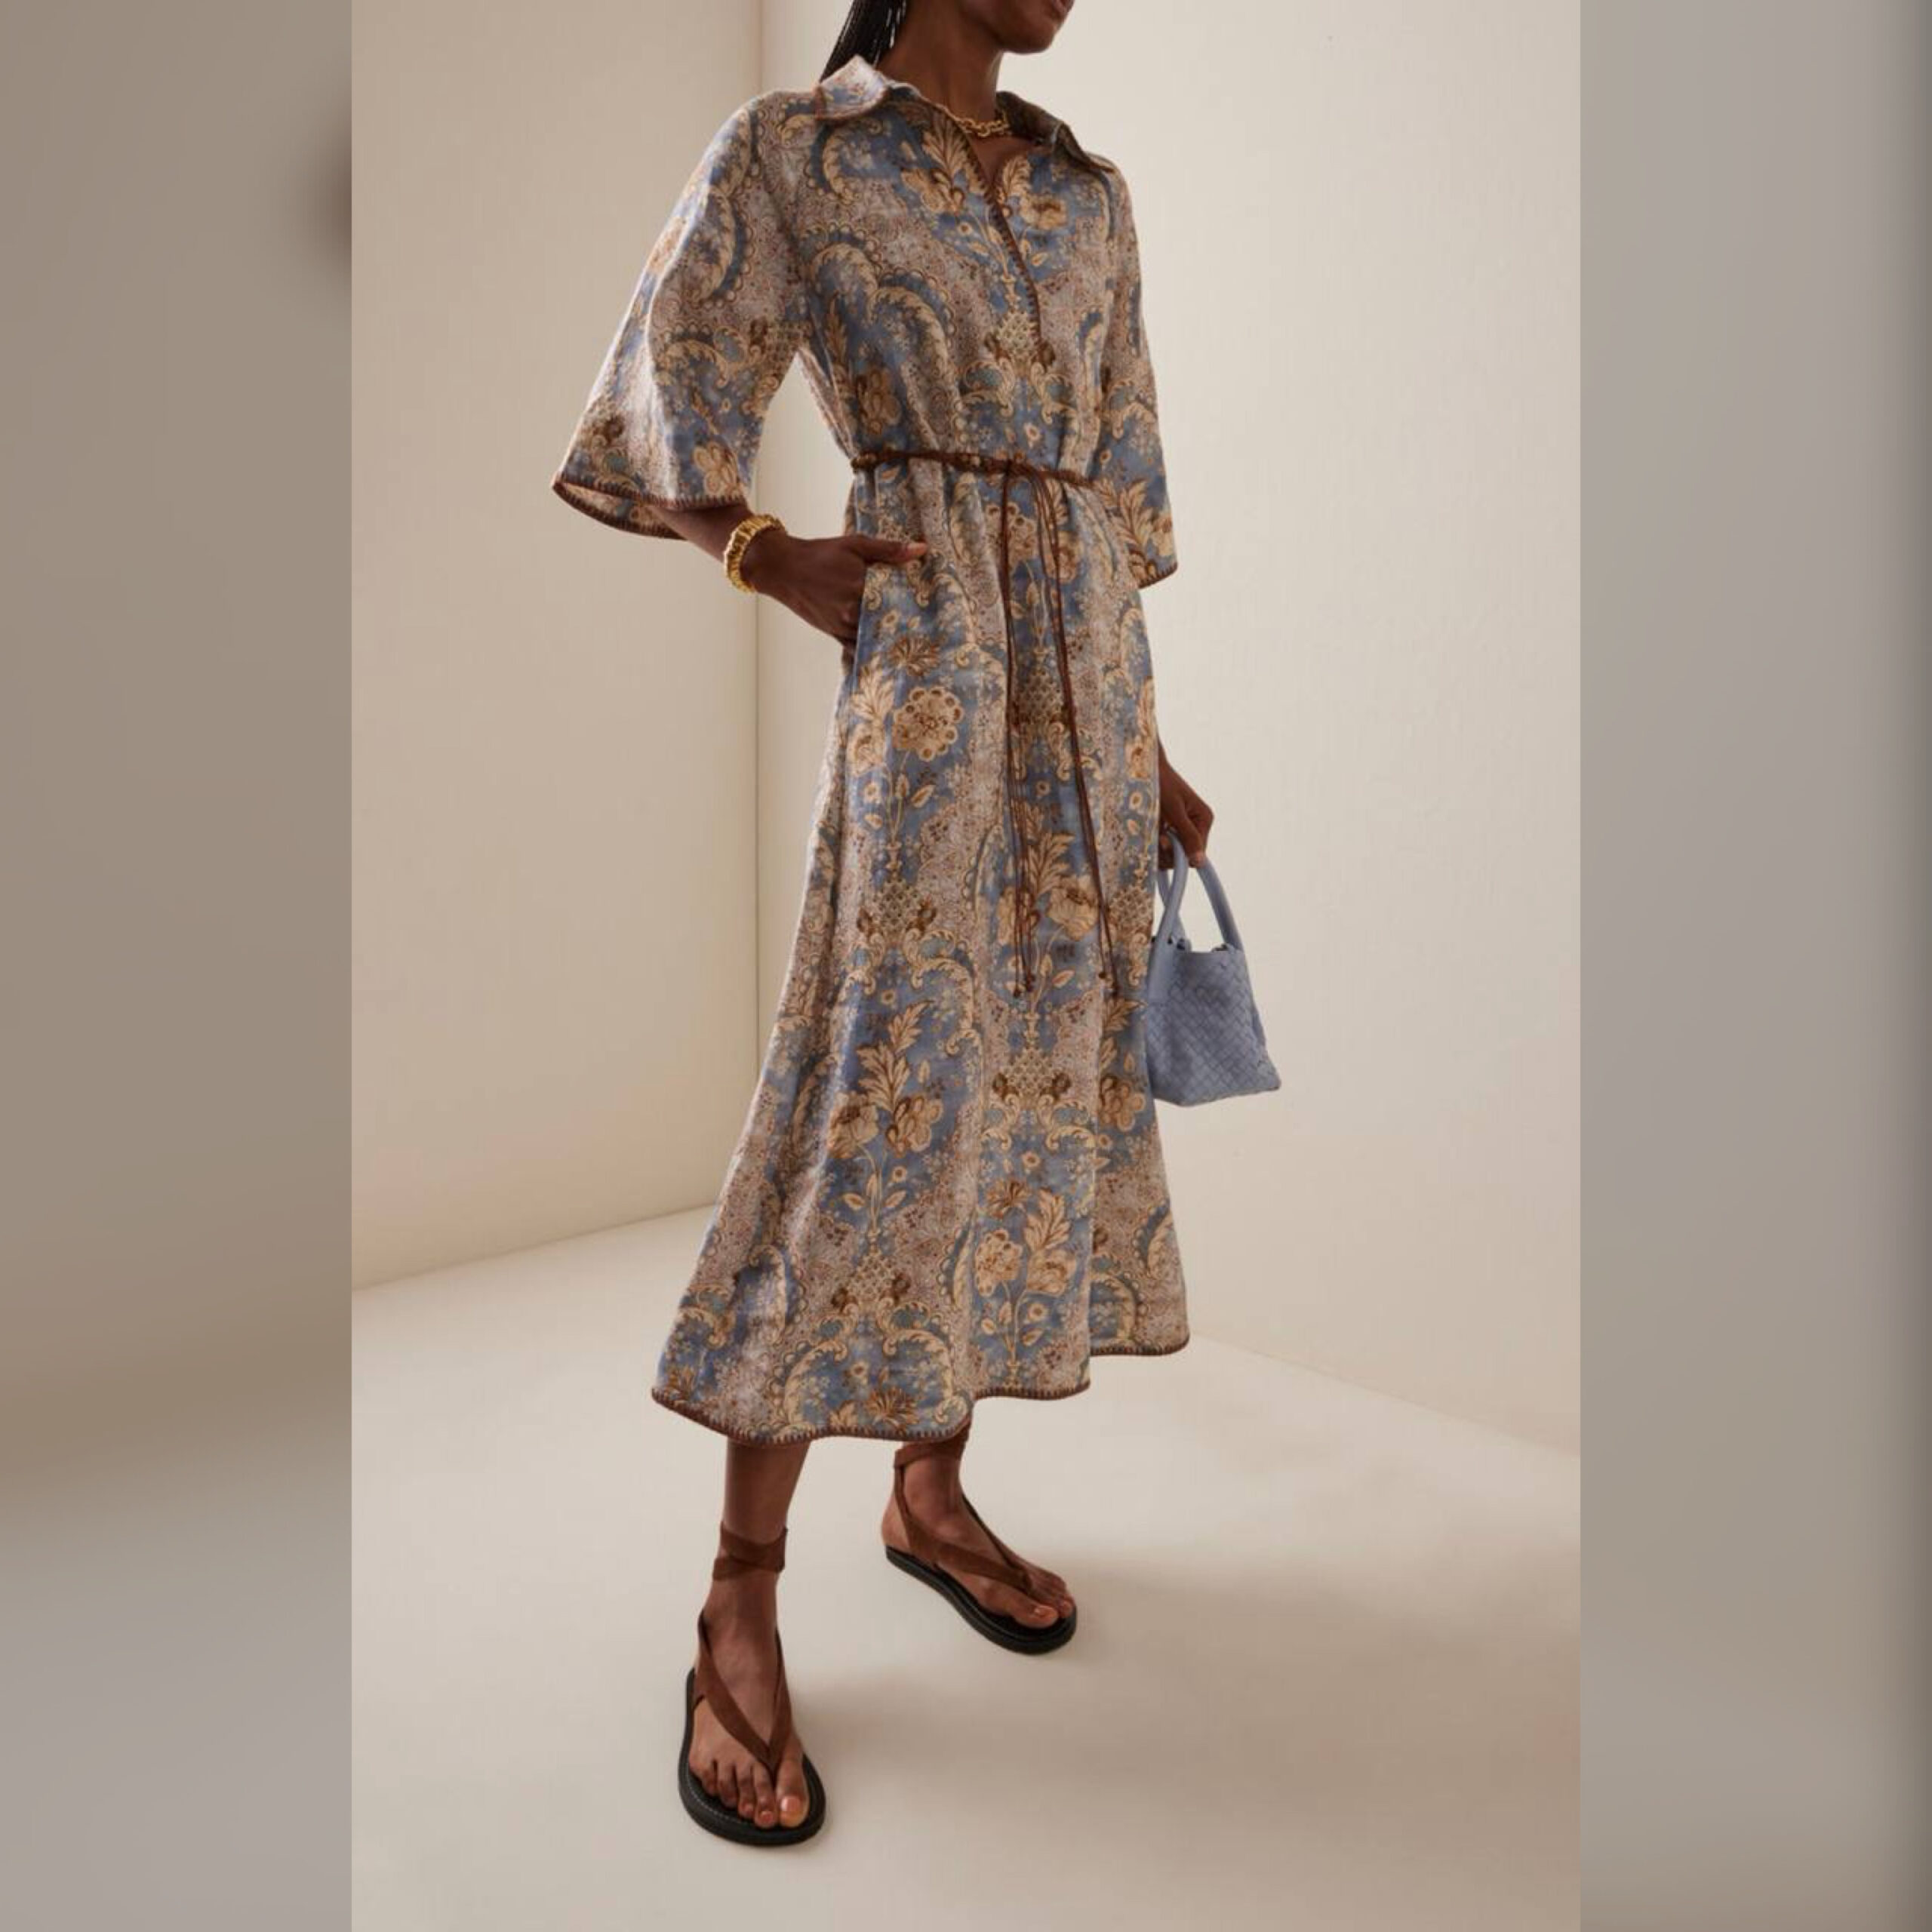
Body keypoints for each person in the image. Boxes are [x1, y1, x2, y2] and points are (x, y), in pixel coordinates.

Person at [553, 0, 1214, 1844]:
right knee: (878, 1094)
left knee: (1019, 1084)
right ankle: (738, 1589)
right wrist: (763, 552)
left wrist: (1147, 748)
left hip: (1083, 691)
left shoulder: (1088, 196)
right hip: (926, 672)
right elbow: (657, 385)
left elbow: (1115, 496)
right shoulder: (795, 153)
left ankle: (927, 1491)